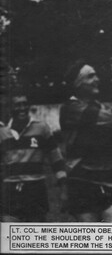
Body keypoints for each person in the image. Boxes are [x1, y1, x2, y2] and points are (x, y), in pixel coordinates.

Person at [59, 60, 112, 222]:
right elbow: (107, 118)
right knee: (91, 240)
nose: (97, 79)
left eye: (96, 75)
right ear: (78, 84)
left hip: (108, 178)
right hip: (83, 180)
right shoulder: (70, 108)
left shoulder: (98, 106)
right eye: (90, 76)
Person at [1, 90, 67, 222]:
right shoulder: (2, 132)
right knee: (9, 234)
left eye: (25, 104)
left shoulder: (41, 128)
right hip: (10, 190)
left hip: (35, 189)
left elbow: (56, 158)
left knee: (35, 233)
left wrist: (64, 188)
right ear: (10, 107)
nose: (22, 108)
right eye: (17, 105)